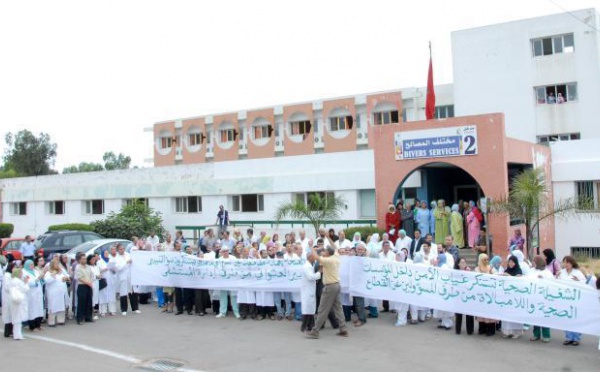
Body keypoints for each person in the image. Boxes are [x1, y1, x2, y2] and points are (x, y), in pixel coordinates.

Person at [305, 246, 348, 339]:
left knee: (322, 309)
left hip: (330, 287)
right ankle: (343, 329)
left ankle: (315, 331)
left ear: (328, 253)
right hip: (336, 285)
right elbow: (336, 248)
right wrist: (328, 237)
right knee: (338, 308)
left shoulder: (328, 261)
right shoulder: (335, 257)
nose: (323, 252)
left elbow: (315, 257)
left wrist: (313, 248)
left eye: (325, 251)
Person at [558, 256, 586, 346]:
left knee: (575, 318)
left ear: (572, 263)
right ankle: (569, 337)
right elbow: (556, 284)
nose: (565, 264)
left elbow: (584, 283)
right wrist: (556, 276)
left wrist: (578, 281)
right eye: (564, 262)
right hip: (565, 299)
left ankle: (576, 338)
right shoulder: (561, 273)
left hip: (575, 299)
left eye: (567, 262)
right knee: (567, 318)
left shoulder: (577, 273)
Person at [528, 255, 553, 343]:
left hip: (544, 298)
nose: (533, 263)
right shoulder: (531, 271)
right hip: (534, 298)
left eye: (534, 262)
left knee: (544, 317)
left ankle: (546, 335)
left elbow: (552, 284)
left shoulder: (547, 272)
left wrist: (543, 280)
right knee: (535, 317)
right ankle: (536, 334)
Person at [501, 256, 523, 339]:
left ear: (515, 262)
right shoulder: (506, 270)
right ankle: (507, 331)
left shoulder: (518, 271)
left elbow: (517, 281)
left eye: (512, 262)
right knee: (507, 313)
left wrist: (508, 275)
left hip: (516, 296)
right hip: (507, 296)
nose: (511, 263)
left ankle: (516, 332)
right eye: (509, 262)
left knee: (515, 314)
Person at [475, 254, 496, 336]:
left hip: (490, 294)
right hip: (481, 294)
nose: (486, 261)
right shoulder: (477, 268)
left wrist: (490, 272)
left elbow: (495, 277)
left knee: (490, 312)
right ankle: (482, 329)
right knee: (482, 311)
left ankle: (490, 330)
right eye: (484, 260)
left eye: (487, 259)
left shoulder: (491, 268)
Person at [216, 247, 240, 319]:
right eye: (224, 251)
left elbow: (237, 267)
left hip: (232, 280)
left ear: (228, 251)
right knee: (223, 296)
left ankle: (236, 312)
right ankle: (222, 312)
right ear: (222, 252)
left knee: (233, 296)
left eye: (226, 251)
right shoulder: (219, 259)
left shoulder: (233, 258)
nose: (225, 252)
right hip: (223, 280)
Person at [44, 259, 69, 326]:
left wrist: (65, 278)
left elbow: (67, 276)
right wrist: (53, 276)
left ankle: (60, 320)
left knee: (61, 306)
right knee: (52, 306)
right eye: (56, 264)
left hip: (60, 293)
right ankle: (51, 321)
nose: (57, 265)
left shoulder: (61, 271)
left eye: (58, 264)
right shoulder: (49, 273)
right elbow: (47, 281)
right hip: (53, 293)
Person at [300, 251, 321, 332]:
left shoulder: (309, 265)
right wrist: (319, 272)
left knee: (310, 309)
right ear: (310, 257)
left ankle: (310, 326)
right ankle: (304, 326)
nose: (315, 258)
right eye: (314, 257)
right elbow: (310, 277)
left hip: (310, 290)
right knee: (308, 309)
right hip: (308, 291)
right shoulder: (307, 266)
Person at [9, 268, 30, 340]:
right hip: (19, 300)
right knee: (18, 318)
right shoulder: (18, 281)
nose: (21, 274)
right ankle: (17, 335)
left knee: (15, 317)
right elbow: (25, 289)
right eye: (21, 273)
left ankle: (17, 334)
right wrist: (26, 283)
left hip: (13, 300)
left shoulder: (12, 280)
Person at [23, 259, 44, 332]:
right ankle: (32, 326)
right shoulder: (24, 272)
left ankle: (38, 324)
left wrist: (41, 278)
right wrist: (36, 280)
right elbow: (28, 282)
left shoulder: (35, 271)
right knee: (32, 310)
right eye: (30, 265)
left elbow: (40, 280)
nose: (32, 266)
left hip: (38, 293)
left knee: (38, 309)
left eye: (32, 264)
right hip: (31, 294)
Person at [454, 258, 474, 335]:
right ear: (458, 264)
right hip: (459, 295)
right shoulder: (455, 272)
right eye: (462, 262)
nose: (463, 264)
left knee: (469, 313)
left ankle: (470, 330)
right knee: (459, 314)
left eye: (464, 262)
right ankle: (458, 329)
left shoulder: (469, 271)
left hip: (468, 294)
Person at [74, 253, 94, 325]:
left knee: (89, 302)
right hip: (82, 286)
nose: (85, 260)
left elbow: (92, 275)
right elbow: (79, 277)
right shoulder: (78, 267)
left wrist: (90, 282)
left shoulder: (88, 267)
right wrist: (87, 282)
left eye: (85, 259)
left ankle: (88, 317)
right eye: (83, 259)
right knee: (81, 302)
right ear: (79, 260)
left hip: (88, 285)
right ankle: (79, 318)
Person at [2, 262, 15, 338]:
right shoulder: (7, 275)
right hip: (7, 298)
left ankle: (11, 331)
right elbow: (7, 287)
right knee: (8, 315)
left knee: (11, 315)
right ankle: (7, 332)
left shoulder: (10, 275)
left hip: (11, 297)